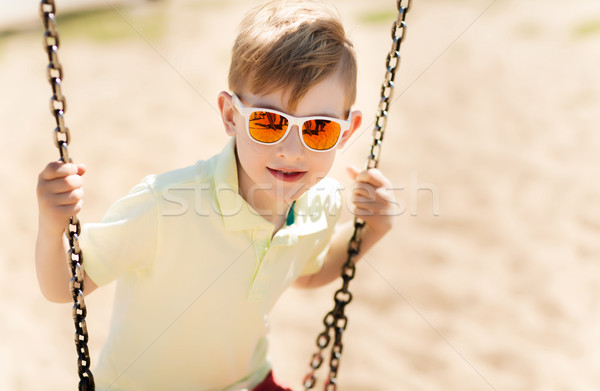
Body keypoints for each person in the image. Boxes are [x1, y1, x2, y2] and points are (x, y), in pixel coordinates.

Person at [35, 1, 396, 390]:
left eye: (318, 129)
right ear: (230, 115)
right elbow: (63, 287)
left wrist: (372, 230)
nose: (292, 150)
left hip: (246, 381)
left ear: (346, 131)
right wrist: (52, 224)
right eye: (269, 122)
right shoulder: (166, 205)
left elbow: (307, 272)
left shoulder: (321, 203)